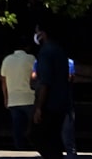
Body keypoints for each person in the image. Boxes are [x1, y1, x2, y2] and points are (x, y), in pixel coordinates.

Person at [31, 23, 71, 159]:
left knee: (37, 136)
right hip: (61, 101)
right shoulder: (60, 50)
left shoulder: (45, 52)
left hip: (49, 103)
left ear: (43, 34)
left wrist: (39, 107)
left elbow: (45, 81)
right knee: (52, 139)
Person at [0, 43, 36, 149]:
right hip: (29, 98)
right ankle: (34, 147)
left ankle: (19, 149)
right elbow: (36, 75)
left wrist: (6, 98)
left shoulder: (7, 60)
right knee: (32, 127)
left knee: (17, 128)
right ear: (27, 47)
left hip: (13, 99)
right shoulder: (31, 58)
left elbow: (3, 81)